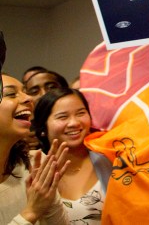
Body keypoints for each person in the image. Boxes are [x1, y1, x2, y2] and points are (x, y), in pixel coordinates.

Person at [1, 69, 71, 225]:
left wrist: (48, 199)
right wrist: (31, 212)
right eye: (11, 94)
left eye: (25, 92)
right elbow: (32, 211)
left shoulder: (35, 164)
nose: (29, 98)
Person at [32, 88, 111, 224]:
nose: (74, 123)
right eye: (62, 117)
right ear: (43, 128)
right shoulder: (33, 170)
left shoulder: (109, 160)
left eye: (81, 113)